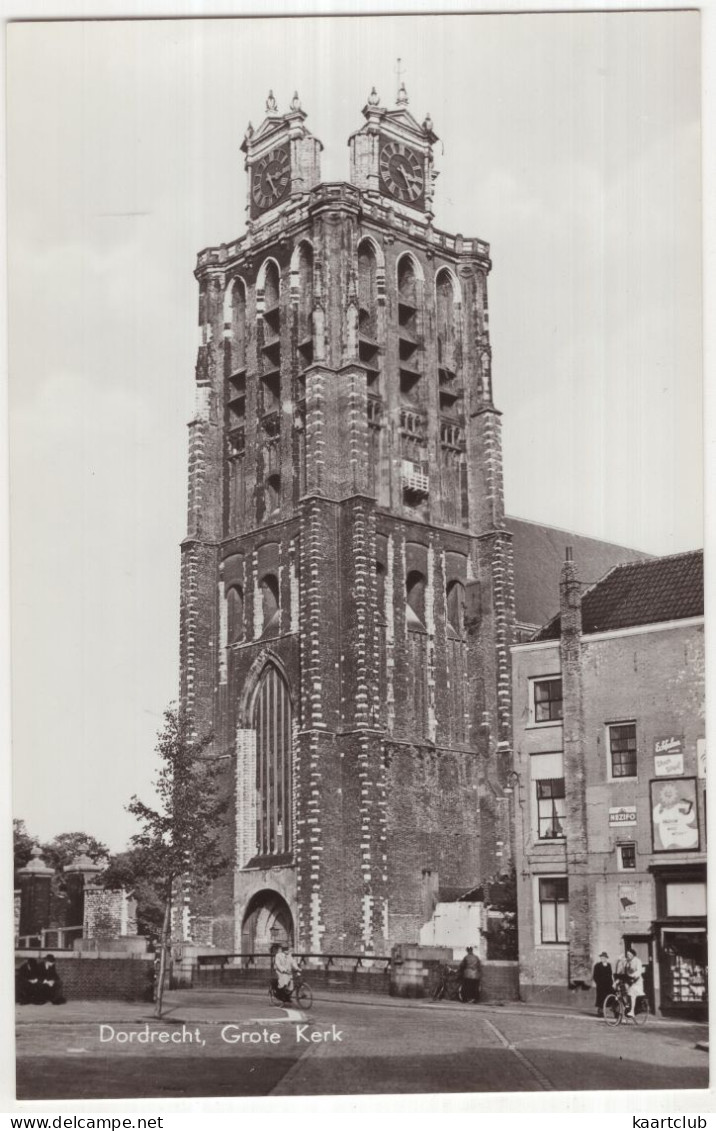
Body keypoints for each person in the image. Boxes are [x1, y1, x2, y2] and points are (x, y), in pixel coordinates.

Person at [623, 947, 644, 1017]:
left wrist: (633, 976)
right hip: (629, 980)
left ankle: (632, 1011)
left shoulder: (637, 961)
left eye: (629, 954)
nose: (628, 956)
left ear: (633, 955)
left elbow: (639, 971)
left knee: (632, 993)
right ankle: (627, 1004)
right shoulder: (627, 962)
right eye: (627, 954)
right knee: (623, 988)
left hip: (637, 981)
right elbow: (624, 970)